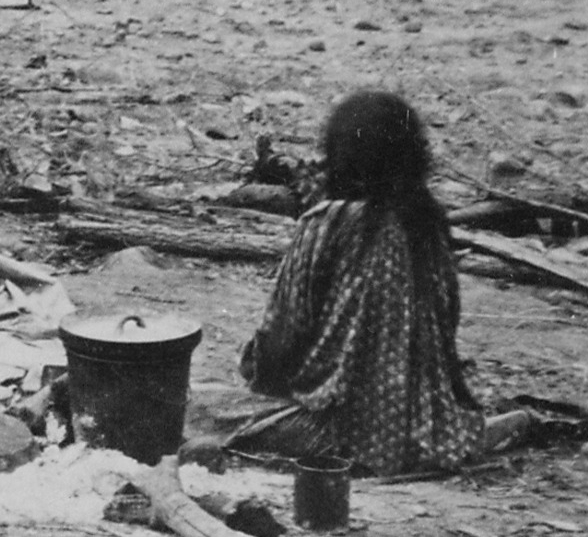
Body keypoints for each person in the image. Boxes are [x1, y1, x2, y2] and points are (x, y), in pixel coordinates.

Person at [227, 89, 534, 474]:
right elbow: (445, 329)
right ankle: (461, 435)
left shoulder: (330, 224)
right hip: (430, 423)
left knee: (200, 412)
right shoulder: (429, 226)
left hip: (339, 431)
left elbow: (283, 331)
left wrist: (255, 372)